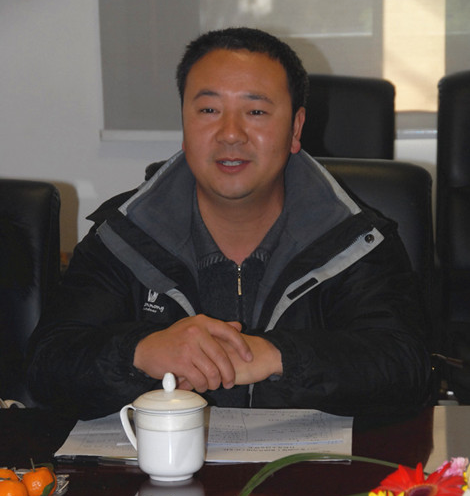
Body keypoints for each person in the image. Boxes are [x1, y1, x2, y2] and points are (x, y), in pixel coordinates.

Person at [27, 27, 431, 420]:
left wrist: (274, 356)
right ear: (184, 124)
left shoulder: (353, 238)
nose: (231, 134)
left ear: (295, 128)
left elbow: (406, 368)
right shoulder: (125, 234)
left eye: (256, 112)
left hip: (307, 466)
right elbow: (47, 365)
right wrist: (141, 350)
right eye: (209, 110)